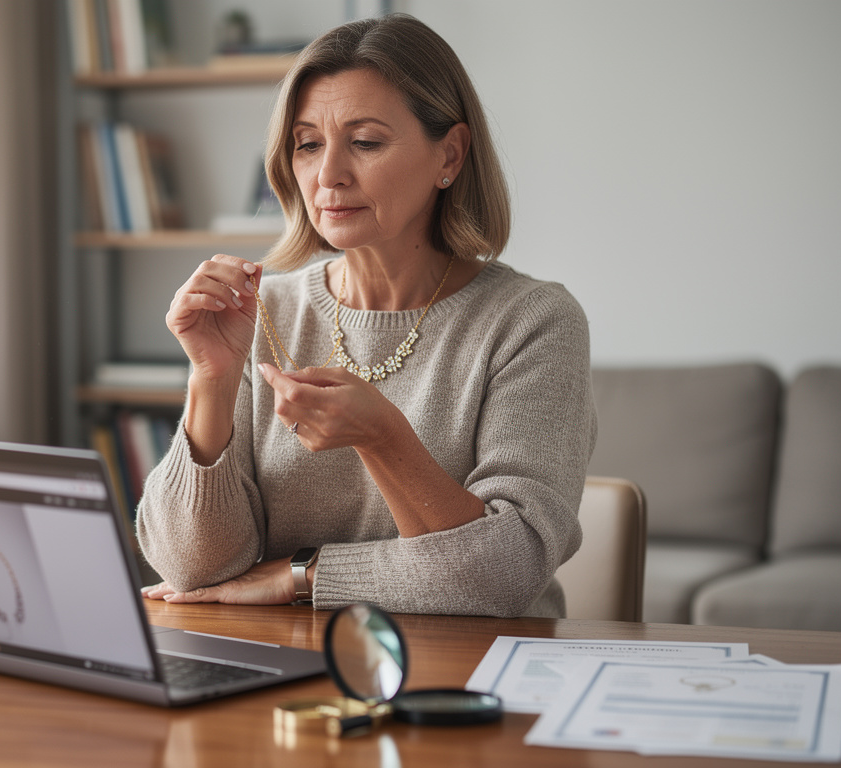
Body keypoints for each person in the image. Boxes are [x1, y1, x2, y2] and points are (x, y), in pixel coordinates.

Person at [136, 13, 596, 618]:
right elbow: (194, 570)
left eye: (366, 141)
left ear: (450, 156)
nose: (328, 175)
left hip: (471, 674)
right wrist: (211, 380)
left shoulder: (533, 321)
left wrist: (305, 571)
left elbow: (508, 569)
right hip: (288, 674)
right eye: (307, 144)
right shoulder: (262, 312)